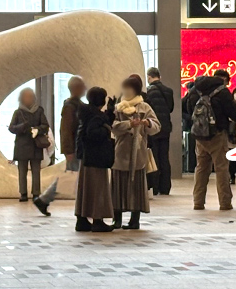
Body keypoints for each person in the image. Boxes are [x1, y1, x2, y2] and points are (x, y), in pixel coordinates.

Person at [186, 69, 236, 210]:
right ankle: (225, 203)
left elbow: (187, 107)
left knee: (201, 168)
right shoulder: (223, 92)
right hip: (217, 134)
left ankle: (198, 202)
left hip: (200, 135)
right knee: (221, 168)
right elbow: (233, 112)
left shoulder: (195, 90)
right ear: (225, 80)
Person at [112, 77, 161, 230]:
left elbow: (157, 126)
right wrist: (128, 124)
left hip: (138, 151)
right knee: (118, 185)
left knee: (137, 186)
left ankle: (135, 219)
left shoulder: (144, 107)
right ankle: (117, 218)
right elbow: (112, 126)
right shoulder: (118, 107)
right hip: (121, 151)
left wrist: (147, 123)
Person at [74, 87, 115, 233]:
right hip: (96, 157)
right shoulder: (96, 116)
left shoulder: (87, 113)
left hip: (86, 156)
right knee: (98, 188)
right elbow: (94, 132)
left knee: (85, 189)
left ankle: (81, 219)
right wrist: (106, 129)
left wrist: (109, 114)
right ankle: (98, 220)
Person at [8, 88, 51, 214]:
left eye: (30, 96)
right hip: (22, 145)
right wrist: (23, 126)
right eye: (26, 96)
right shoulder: (18, 112)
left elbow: (45, 126)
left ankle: (36, 193)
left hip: (35, 145)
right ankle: (23, 193)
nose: (28, 99)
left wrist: (37, 129)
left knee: (36, 171)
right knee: (22, 171)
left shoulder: (39, 111)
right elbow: (11, 128)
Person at [145, 67, 175, 196]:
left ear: (149, 77)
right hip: (166, 127)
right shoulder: (168, 91)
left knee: (155, 157)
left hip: (154, 127)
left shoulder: (149, 91)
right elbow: (171, 108)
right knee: (164, 157)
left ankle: (155, 187)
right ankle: (165, 187)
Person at [61, 76, 86, 171]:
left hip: (79, 148)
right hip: (74, 149)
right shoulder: (70, 107)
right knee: (73, 175)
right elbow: (66, 130)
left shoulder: (78, 105)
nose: (85, 88)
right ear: (76, 88)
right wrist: (68, 151)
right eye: (82, 86)